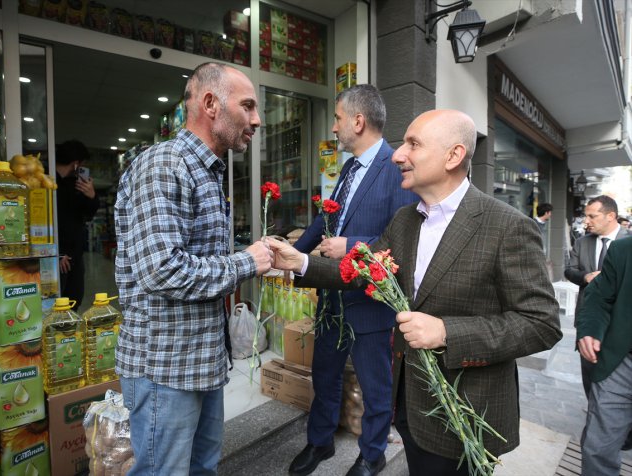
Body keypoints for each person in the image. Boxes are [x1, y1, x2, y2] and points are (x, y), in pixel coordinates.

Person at [269, 109, 562, 476]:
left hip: (465, 413)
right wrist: (299, 263)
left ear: (453, 156)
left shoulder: (507, 227)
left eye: (413, 144)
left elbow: (542, 323)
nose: (397, 155)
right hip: (410, 405)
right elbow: (364, 271)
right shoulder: (406, 220)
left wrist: (447, 332)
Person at [114, 62, 273, 475]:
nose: (257, 119)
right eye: (248, 106)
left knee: (203, 468)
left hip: (201, 362)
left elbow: (195, 258)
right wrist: (247, 261)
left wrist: (255, 256)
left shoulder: (207, 171)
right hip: (164, 370)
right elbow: (162, 269)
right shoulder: (165, 165)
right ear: (210, 104)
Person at [288, 85, 419, 476]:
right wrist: (292, 248)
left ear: (358, 122)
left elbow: (403, 240)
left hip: (369, 302)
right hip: (332, 298)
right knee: (324, 376)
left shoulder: (397, 168)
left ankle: (373, 454)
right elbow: (325, 220)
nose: (334, 127)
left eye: (338, 118)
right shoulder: (348, 168)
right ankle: (320, 442)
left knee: (376, 386)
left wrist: (351, 245)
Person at [577, 236, 632, 475]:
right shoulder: (623, 249)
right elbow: (599, 297)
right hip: (621, 362)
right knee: (598, 447)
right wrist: (589, 329)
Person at [564, 195, 629, 397]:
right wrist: (586, 277)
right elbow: (569, 270)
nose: (587, 221)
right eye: (586, 216)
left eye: (592, 216)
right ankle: (594, 407)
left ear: (611, 216)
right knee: (590, 373)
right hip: (588, 320)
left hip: (620, 327)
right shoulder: (582, 242)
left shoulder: (627, 244)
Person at [55, 139, 100, 310]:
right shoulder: (46, 181)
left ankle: (69, 336)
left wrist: (91, 196)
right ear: (76, 164)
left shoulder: (74, 186)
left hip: (74, 255)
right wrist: (55, 254)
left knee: (74, 300)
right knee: (57, 306)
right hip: (58, 257)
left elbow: (87, 214)